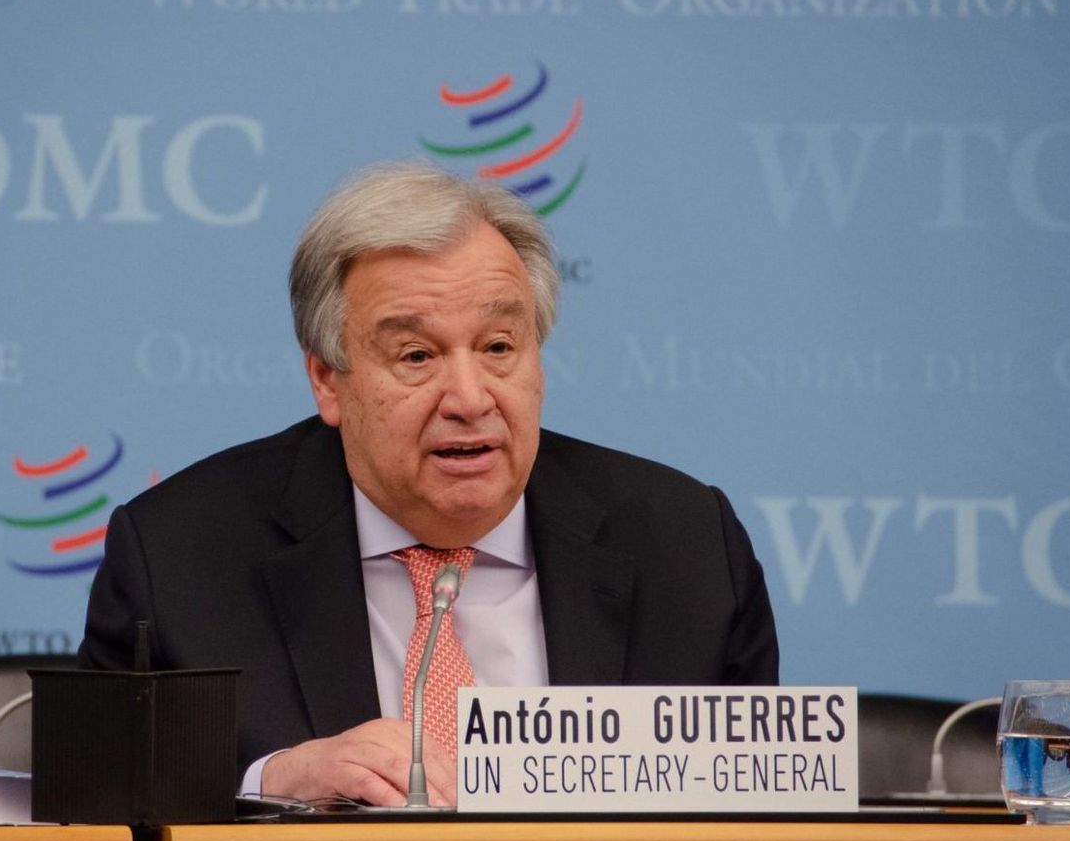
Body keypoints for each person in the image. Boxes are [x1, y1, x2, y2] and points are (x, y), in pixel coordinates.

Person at [78, 162, 778, 807]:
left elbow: (762, 825)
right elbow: (92, 799)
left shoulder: (686, 547)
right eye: (416, 355)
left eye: (499, 347)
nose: (469, 397)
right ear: (328, 379)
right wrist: (268, 785)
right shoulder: (178, 556)